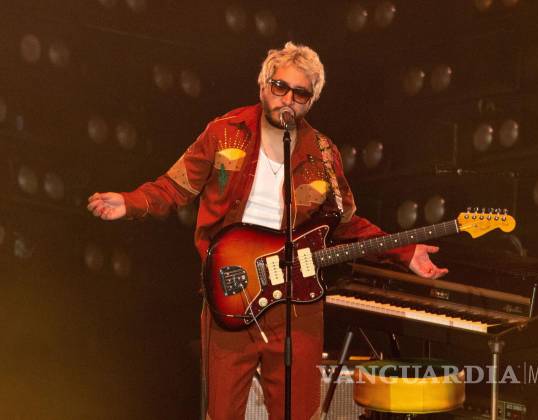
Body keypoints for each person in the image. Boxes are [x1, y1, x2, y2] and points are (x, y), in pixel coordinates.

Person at [87, 41, 448, 420]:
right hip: (232, 291)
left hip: (297, 303)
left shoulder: (324, 154)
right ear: (263, 85)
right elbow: (174, 186)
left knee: (299, 413)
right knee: (222, 413)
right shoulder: (224, 133)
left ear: (311, 100)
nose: (287, 99)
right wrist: (131, 202)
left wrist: (405, 251)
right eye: (280, 87)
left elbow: (347, 223)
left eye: (300, 93)